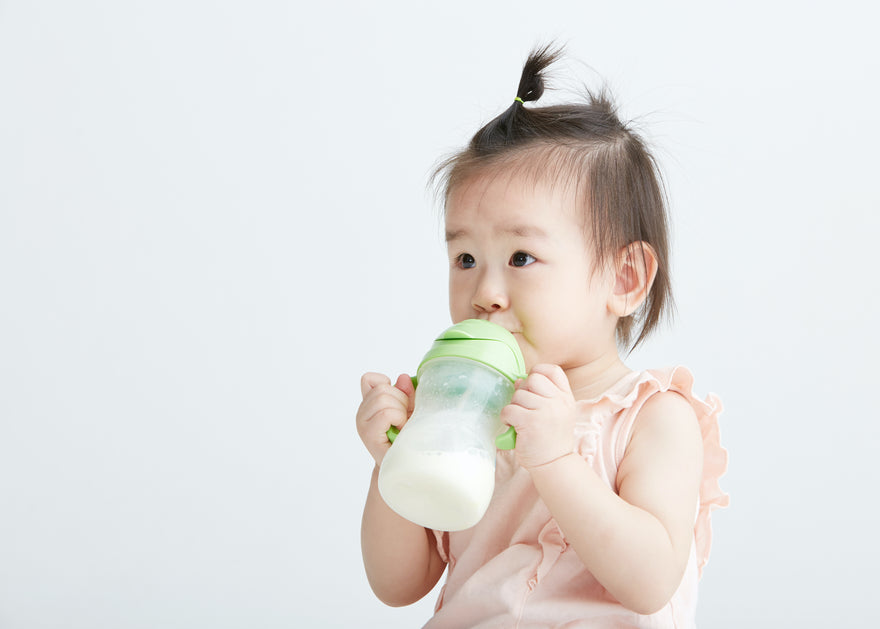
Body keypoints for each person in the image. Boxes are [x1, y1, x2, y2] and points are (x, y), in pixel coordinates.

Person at [355, 44, 728, 628]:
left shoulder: (655, 419)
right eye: (466, 258)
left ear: (624, 278)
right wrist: (390, 466)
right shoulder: (461, 413)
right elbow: (397, 585)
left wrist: (556, 458)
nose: (486, 292)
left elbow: (650, 580)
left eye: (521, 256)